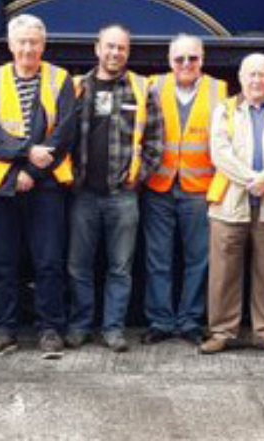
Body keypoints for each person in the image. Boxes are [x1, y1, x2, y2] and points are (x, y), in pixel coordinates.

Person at [0, 14, 77, 359]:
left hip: (44, 184)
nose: (28, 49)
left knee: (48, 261)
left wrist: (31, 171)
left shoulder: (60, 79)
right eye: (22, 42)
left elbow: (63, 133)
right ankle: (5, 329)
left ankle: (50, 328)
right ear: (10, 45)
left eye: (34, 42)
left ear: (43, 45)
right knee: (3, 263)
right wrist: (22, 159)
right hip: (2, 185)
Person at [67, 24, 163, 352]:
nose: (115, 53)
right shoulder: (77, 87)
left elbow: (155, 141)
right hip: (83, 194)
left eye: (121, 48)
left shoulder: (141, 89)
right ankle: (80, 326)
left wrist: (138, 175)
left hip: (123, 195)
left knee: (120, 267)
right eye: (109, 47)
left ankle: (113, 329)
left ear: (128, 52)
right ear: (97, 49)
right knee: (78, 265)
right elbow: (61, 134)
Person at [201, 53, 264, 355]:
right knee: (224, 270)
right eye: (251, 75)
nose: (257, 80)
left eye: (262, 75)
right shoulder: (224, 110)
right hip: (230, 203)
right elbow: (220, 152)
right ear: (241, 78)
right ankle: (221, 331)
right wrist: (252, 180)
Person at [141, 34, 227, 346]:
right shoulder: (152, 85)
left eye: (193, 58)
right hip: (159, 185)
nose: (186, 64)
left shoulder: (220, 91)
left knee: (198, 259)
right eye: (180, 59)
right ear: (169, 61)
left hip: (198, 187)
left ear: (202, 59)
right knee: (157, 258)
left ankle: (190, 320)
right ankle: (160, 321)